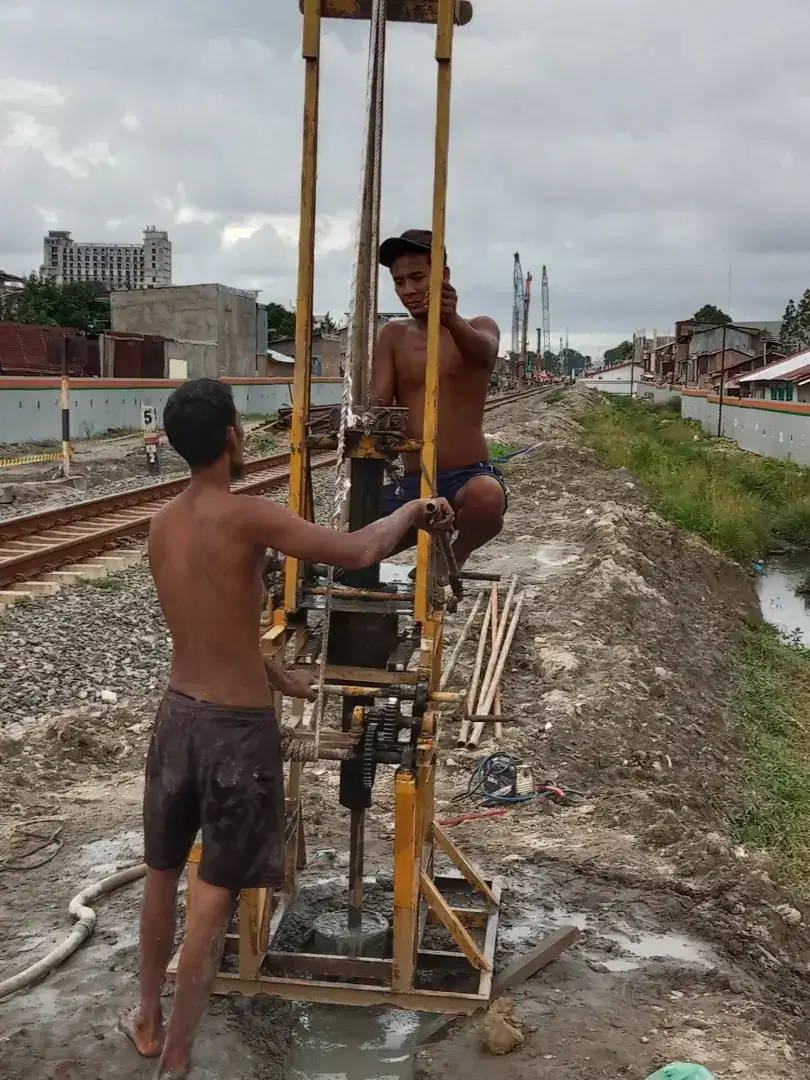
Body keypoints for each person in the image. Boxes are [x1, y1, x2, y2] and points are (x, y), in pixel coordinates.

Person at [119, 378, 453, 1078]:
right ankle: (176, 1060)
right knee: (211, 903)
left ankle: (147, 1019)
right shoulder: (247, 517)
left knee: (161, 876)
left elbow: (210, 622)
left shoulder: (161, 525)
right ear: (234, 438)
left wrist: (276, 673)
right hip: (236, 737)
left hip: (176, 720)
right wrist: (415, 511)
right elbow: (358, 551)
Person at [371, 228, 506, 571]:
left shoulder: (479, 327)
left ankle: (452, 557)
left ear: (443, 276)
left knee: (488, 499)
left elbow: (485, 355)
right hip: (413, 483)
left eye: (418, 277)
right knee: (355, 542)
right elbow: (379, 405)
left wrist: (451, 320)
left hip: (466, 478)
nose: (408, 290)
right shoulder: (392, 335)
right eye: (399, 282)